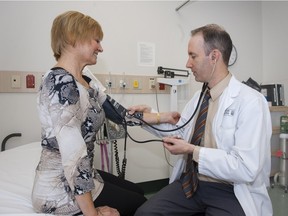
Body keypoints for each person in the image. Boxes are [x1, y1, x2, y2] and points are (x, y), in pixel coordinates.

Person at [129, 24, 273, 216]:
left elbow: (246, 167)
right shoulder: (200, 97)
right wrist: (149, 117)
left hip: (231, 190)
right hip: (192, 183)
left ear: (214, 57)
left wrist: (193, 150)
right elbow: (180, 132)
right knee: (145, 214)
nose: (188, 63)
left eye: (193, 56)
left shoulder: (250, 102)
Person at [31, 11, 147, 216]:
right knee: (141, 204)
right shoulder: (60, 83)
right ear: (73, 37)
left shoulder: (85, 81)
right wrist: (92, 214)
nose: (101, 47)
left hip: (81, 177)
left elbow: (120, 114)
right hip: (60, 190)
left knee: (138, 191)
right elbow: (74, 158)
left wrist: (164, 118)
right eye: (97, 40)